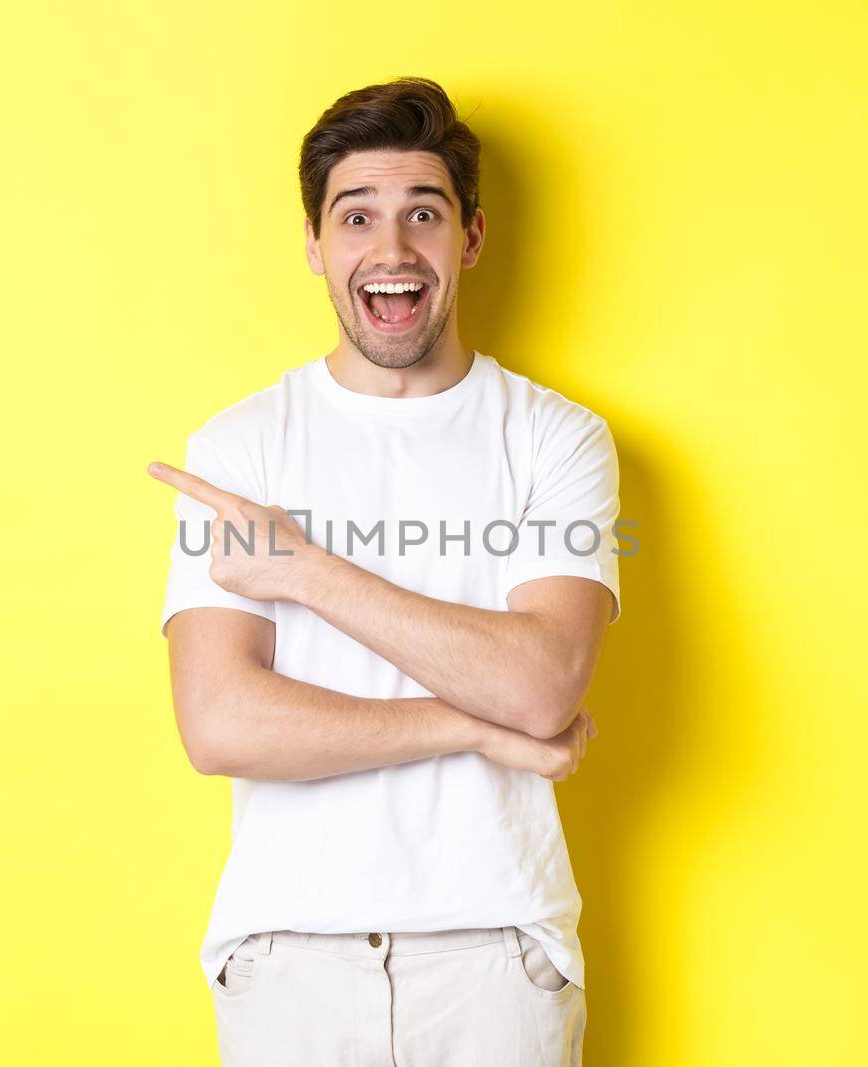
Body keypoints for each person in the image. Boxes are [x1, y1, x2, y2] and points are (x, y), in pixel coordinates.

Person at [149, 75, 622, 1066]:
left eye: (423, 214)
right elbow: (221, 721)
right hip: (288, 953)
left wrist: (304, 568)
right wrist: (465, 720)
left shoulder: (555, 439)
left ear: (472, 237)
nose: (391, 248)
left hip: (497, 948)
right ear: (316, 246)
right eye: (356, 216)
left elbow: (540, 686)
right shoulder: (241, 445)